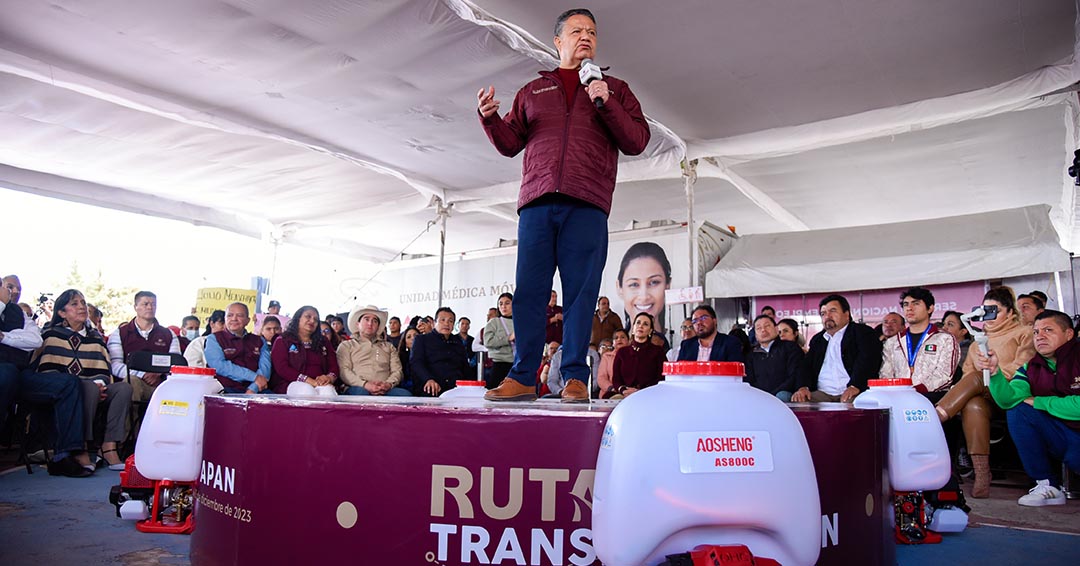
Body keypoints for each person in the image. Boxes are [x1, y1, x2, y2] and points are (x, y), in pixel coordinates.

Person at [479, 8, 650, 403]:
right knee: (529, 293)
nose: (585, 36)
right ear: (558, 41)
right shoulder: (533, 91)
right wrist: (490, 119)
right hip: (537, 203)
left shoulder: (615, 89)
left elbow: (637, 140)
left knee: (581, 293)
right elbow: (509, 143)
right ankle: (523, 376)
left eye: (592, 31)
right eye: (576, 31)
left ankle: (574, 376)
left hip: (587, 202)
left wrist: (606, 101)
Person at [934, 286, 1035, 498]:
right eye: (984, 311)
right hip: (987, 399)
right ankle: (981, 472)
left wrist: (994, 372)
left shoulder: (1024, 333)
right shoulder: (977, 342)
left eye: (994, 310)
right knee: (973, 404)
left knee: (981, 375)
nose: (988, 316)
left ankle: (937, 416)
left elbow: (1023, 367)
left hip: (1014, 393)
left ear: (1010, 311)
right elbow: (967, 375)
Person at [976, 310, 1079, 506]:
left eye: (1048, 330)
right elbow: (1009, 400)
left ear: (1069, 334)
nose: (1040, 336)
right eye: (1036, 332)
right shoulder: (1030, 367)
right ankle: (1047, 485)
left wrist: (1040, 402)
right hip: (1062, 435)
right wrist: (995, 374)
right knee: (1019, 411)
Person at [26, 289, 131, 474]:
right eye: (74, 304)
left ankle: (109, 447)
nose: (82, 307)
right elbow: (47, 370)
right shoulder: (51, 335)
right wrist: (90, 386)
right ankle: (80, 447)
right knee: (88, 388)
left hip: (97, 387)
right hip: (67, 393)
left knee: (124, 389)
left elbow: (104, 369)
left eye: (83, 303)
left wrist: (100, 384)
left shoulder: (95, 338)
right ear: (61, 312)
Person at [791, 294, 883, 403]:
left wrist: (855, 386)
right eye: (823, 313)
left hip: (853, 391)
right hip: (822, 393)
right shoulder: (818, 340)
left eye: (833, 311)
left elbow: (868, 361)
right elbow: (805, 366)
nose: (827, 316)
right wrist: (803, 387)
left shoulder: (862, 333)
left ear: (847, 314)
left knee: (852, 404)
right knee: (800, 401)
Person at [879, 287, 960, 400]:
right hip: (897, 397)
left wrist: (914, 391)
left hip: (930, 398)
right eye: (906, 304)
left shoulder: (945, 339)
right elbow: (885, 374)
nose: (909, 308)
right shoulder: (893, 342)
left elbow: (944, 376)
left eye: (916, 303)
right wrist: (895, 392)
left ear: (930, 308)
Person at [108, 291, 181, 403]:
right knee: (131, 382)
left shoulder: (169, 334)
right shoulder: (120, 333)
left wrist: (159, 375)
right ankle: (131, 415)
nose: (150, 307)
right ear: (135, 307)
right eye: (145, 304)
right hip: (132, 382)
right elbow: (114, 365)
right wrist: (142, 375)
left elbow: (176, 364)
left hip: (162, 385)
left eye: (153, 304)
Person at [338, 305, 409, 396]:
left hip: (385, 389)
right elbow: (344, 371)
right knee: (362, 394)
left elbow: (397, 371)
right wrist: (365, 385)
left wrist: (388, 384)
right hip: (357, 387)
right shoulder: (346, 345)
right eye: (366, 319)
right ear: (358, 324)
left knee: (405, 395)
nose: (370, 323)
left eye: (374, 321)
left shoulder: (389, 347)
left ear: (378, 327)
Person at [269, 306, 339, 394]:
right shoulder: (283, 340)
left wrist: (328, 378)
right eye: (308, 316)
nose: (312, 321)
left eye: (316, 320)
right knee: (306, 391)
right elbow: (282, 368)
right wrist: (309, 380)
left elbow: (334, 366)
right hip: (290, 383)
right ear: (298, 318)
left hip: (320, 383)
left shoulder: (323, 342)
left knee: (328, 391)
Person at [2, 274, 43, 422]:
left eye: (18, 289)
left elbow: (36, 340)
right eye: (9, 287)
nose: (15, 292)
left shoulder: (20, 313)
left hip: (17, 370)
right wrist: (1, 303)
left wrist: (5, 337)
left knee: (68, 383)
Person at [205, 302, 271, 394]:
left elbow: (265, 368)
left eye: (240, 315)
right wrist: (253, 377)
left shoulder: (259, 341)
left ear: (247, 321)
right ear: (225, 319)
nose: (234, 319)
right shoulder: (214, 339)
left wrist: (253, 388)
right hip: (225, 389)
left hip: (256, 389)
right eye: (230, 315)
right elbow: (218, 365)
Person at [411, 307, 470, 397]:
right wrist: (428, 379)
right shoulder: (422, 339)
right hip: (431, 387)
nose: (446, 324)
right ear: (434, 323)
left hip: (455, 389)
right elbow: (416, 363)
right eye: (442, 320)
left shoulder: (457, 341)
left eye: (450, 321)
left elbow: (465, 367)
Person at [616, 242, 672, 337]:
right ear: (619, 287)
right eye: (634, 284)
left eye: (654, 282)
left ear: (667, 285)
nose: (644, 296)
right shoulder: (618, 345)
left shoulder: (675, 343)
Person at [605, 313, 665, 399]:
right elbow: (616, 380)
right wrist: (623, 390)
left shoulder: (658, 352)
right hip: (625, 394)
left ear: (650, 331)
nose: (641, 326)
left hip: (649, 395)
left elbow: (661, 378)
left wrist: (640, 391)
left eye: (645, 324)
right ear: (633, 328)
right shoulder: (622, 352)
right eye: (638, 323)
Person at [745, 315, 804, 402]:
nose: (763, 330)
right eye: (758, 328)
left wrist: (772, 396)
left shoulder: (790, 348)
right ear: (756, 335)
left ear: (776, 330)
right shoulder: (751, 355)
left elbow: (794, 375)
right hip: (760, 397)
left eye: (767, 326)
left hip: (782, 394)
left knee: (782, 395)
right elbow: (749, 380)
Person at [677, 305, 744, 363]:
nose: (699, 323)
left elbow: (734, 371)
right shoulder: (687, 345)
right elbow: (679, 370)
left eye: (703, 318)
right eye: (695, 321)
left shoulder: (730, 343)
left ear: (714, 320)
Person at [483, 293, 516, 389]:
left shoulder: (520, 322)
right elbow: (488, 342)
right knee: (496, 393)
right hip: (499, 364)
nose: (503, 306)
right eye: (500, 304)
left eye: (507, 303)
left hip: (516, 364)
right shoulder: (494, 322)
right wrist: (508, 338)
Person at [940, 310, 973, 384]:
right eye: (944, 324)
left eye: (950, 325)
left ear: (963, 331)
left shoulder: (968, 351)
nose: (944, 328)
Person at [597, 330, 629, 397]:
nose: (619, 339)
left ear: (628, 341)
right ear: (613, 343)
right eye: (616, 338)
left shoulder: (633, 356)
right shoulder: (607, 356)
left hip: (629, 392)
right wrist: (612, 388)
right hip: (610, 392)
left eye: (622, 337)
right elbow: (601, 378)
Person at [397, 327, 420, 394]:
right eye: (409, 337)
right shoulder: (402, 359)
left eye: (415, 335)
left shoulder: (429, 355)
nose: (413, 338)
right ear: (406, 344)